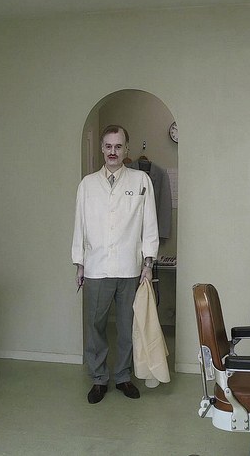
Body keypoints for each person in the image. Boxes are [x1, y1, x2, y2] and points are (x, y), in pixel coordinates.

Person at [72, 124, 159, 404]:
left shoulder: (140, 181)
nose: (113, 151)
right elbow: (80, 226)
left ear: (126, 149)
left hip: (130, 267)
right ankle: (99, 378)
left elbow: (149, 224)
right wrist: (79, 264)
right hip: (96, 267)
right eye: (108, 146)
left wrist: (148, 264)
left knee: (127, 327)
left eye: (118, 146)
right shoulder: (87, 184)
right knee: (95, 326)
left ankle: (122, 376)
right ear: (102, 148)